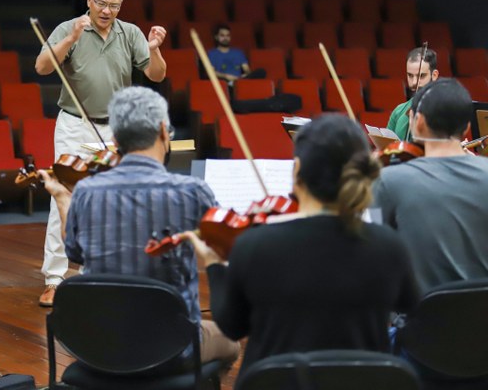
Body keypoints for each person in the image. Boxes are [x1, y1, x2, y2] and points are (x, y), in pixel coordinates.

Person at [179, 114, 419, 377]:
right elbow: (411, 308)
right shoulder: (388, 247)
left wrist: (215, 264)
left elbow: (232, 326)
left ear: (297, 171)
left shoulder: (256, 245)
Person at [39, 86, 240, 365]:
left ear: (116, 137)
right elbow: (225, 251)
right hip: (171, 347)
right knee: (229, 342)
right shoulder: (192, 192)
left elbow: (74, 253)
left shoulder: (87, 191)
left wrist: (63, 197)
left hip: (101, 347)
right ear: (162, 130)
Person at [34, 0, 167, 307]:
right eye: (102, 3)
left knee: (110, 200)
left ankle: (95, 275)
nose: (107, 10)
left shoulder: (131, 32)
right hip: (74, 124)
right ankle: (54, 278)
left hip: (115, 129)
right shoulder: (69, 27)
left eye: (114, 5)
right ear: (89, 1)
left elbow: (156, 74)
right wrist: (71, 40)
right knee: (63, 195)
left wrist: (154, 51)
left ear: (120, 6)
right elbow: (42, 67)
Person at [373, 78, 488, 293]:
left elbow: (371, 254)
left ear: (418, 122)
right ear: (467, 129)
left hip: (420, 321)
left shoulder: (389, 181)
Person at [387, 46, 440, 140]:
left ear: (434, 75)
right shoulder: (398, 111)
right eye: (410, 75)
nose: (414, 82)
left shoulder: (446, 110)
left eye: (421, 76)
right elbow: (387, 148)